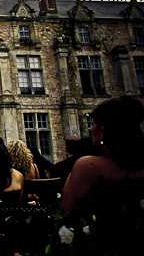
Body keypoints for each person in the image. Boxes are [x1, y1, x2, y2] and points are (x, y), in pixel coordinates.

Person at [62, 97, 144, 255]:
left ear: (104, 130)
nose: (91, 129)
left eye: (93, 124)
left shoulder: (89, 167)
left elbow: (67, 213)